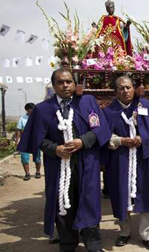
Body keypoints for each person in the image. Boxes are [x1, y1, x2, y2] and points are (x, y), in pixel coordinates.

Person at [17, 68, 111, 252]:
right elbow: (37, 138)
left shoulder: (87, 102)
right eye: (60, 82)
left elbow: (101, 129)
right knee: (62, 202)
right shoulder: (43, 109)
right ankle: (67, 243)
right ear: (54, 86)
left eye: (68, 81)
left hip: (86, 163)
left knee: (89, 201)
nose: (65, 85)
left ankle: (93, 242)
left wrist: (83, 141)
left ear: (75, 84)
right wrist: (55, 149)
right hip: (58, 165)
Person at [103, 75, 149, 251]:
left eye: (128, 87)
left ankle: (148, 235)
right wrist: (121, 140)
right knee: (121, 194)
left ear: (134, 88)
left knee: (146, 194)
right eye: (121, 88)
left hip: (142, 159)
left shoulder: (145, 107)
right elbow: (102, 135)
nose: (126, 91)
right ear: (116, 92)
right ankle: (124, 231)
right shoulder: (109, 111)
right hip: (120, 159)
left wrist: (143, 138)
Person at [15, 103, 42, 181]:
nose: (32, 112)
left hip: (35, 140)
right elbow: (19, 130)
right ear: (27, 110)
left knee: (37, 157)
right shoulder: (22, 119)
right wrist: (17, 140)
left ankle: (38, 172)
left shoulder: (38, 118)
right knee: (24, 158)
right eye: (31, 111)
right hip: (25, 141)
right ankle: (27, 173)